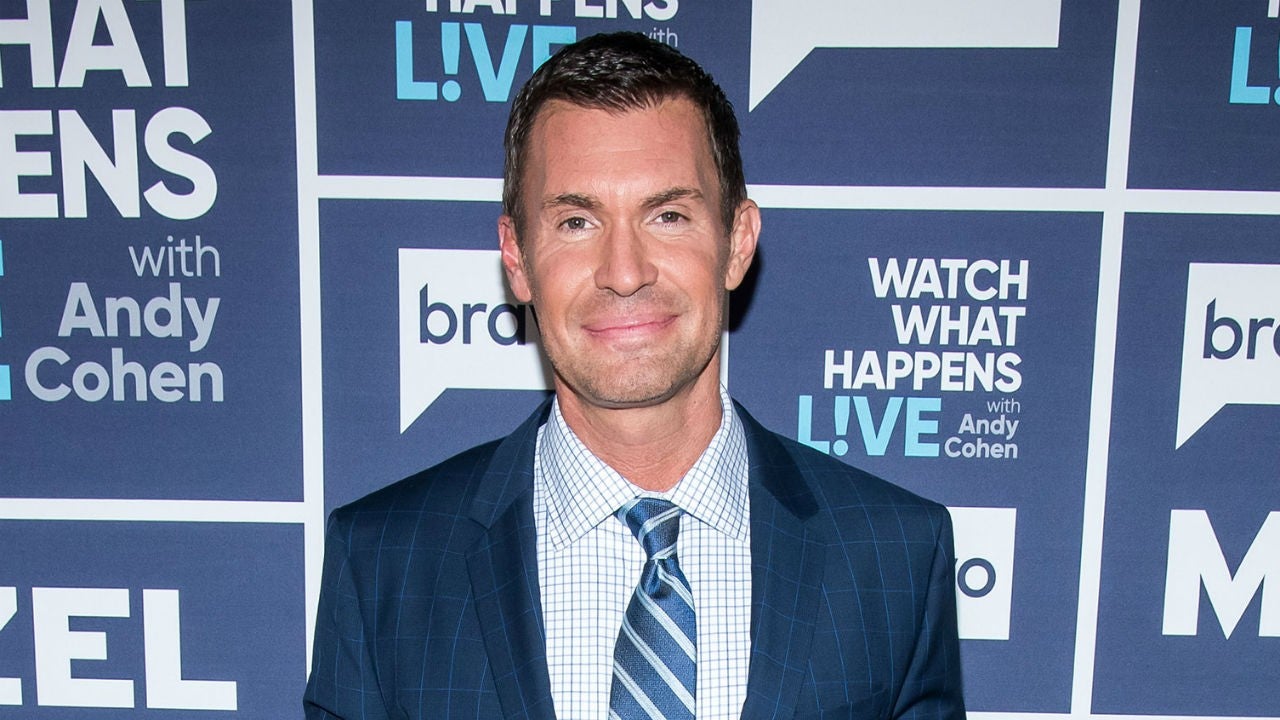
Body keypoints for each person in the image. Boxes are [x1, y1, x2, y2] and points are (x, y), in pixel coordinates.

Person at [304, 31, 964, 720]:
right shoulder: (384, 562)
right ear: (517, 257)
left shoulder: (894, 556)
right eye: (577, 221)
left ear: (737, 242)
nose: (624, 272)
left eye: (668, 215)